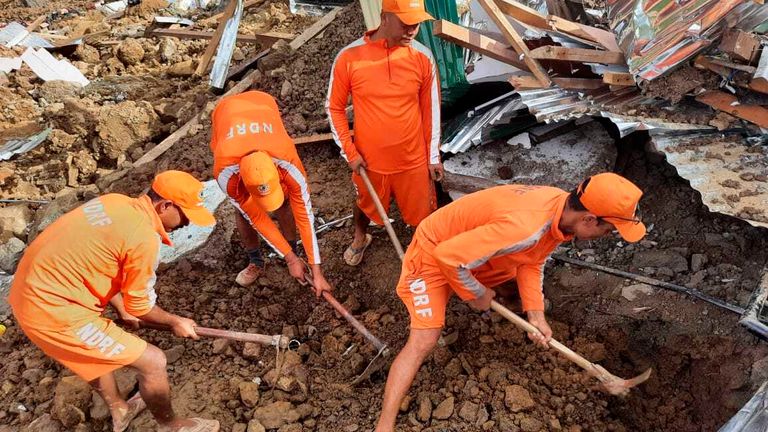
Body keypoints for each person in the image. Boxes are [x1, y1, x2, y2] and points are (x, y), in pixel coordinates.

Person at [374, 173, 647, 431]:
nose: (607, 236)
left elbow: (533, 260)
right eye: (609, 230)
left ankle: (501, 297)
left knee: (510, 280)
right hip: (433, 254)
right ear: (589, 219)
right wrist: (475, 293)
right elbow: (447, 256)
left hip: (471, 248)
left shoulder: (559, 208)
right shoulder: (525, 227)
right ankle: (384, 425)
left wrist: (536, 314)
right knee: (425, 339)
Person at [9, 171, 220, 432]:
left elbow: (99, 258)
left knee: (94, 351)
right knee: (154, 362)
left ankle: (120, 409)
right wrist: (175, 321)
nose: (187, 224)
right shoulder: (143, 238)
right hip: (52, 311)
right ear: (164, 206)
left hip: (29, 290)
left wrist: (119, 305)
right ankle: (172, 425)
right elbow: (141, 307)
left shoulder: (114, 202)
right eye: (185, 216)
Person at [326, 0, 442, 266]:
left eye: (416, 23)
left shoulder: (422, 56)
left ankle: (421, 254)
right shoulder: (350, 57)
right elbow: (334, 108)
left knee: (423, 213)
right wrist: (350, 152)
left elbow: (431, 110)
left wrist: (433, 156)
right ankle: (360, 237)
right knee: (365, 204)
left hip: (412, 159)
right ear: (384, 18)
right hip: (369, 160)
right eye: (405, 23)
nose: (412, 30)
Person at [211, 90, 332, 295]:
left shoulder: (288, 163)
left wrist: (316, 271)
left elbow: (304, 215)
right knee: (243, 211)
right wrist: (290, 260)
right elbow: (257, 216)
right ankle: (256, 260)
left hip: (262, 105)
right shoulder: (225, 173)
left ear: (278, 172)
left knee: (284, 201)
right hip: (226, 112)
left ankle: (293, 250)